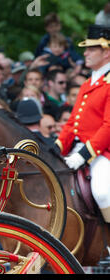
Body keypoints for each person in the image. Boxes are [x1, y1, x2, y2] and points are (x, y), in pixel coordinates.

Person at [55, 24, 110, 223]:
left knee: (102, 191)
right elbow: (72, 122)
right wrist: (55, 147)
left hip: (102, 153)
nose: (85, 53)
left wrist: (84, 155)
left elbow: (108, 127)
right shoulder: (88, 84)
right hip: (78, 149)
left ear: (106, 52)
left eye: (91, 48)